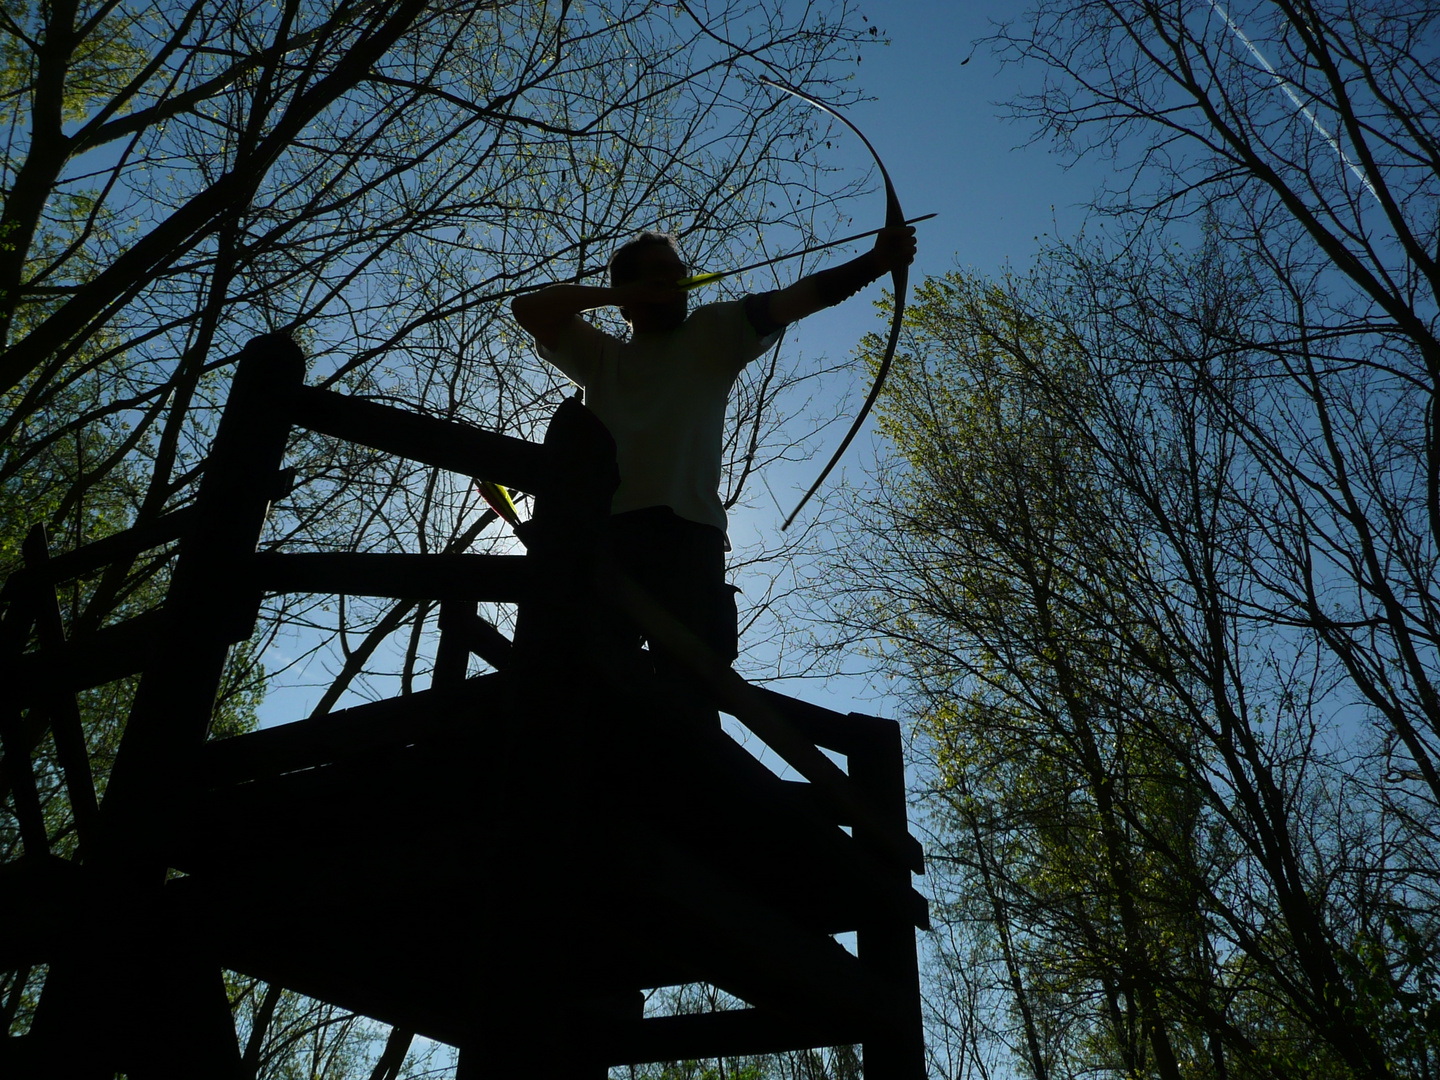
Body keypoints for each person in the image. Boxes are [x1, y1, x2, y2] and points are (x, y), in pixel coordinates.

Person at [511, 224, 917, 707]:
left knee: (691, 696)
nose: (674, 283)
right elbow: (527, 309)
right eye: (657, 275)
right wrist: (622, 292)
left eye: (677, 274)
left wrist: (874, 263)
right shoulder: (600, 355)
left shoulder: (711, 332)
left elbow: (795, 300)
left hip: (688, 542)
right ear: (627, 294)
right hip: (607, 537)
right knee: (579, 686)